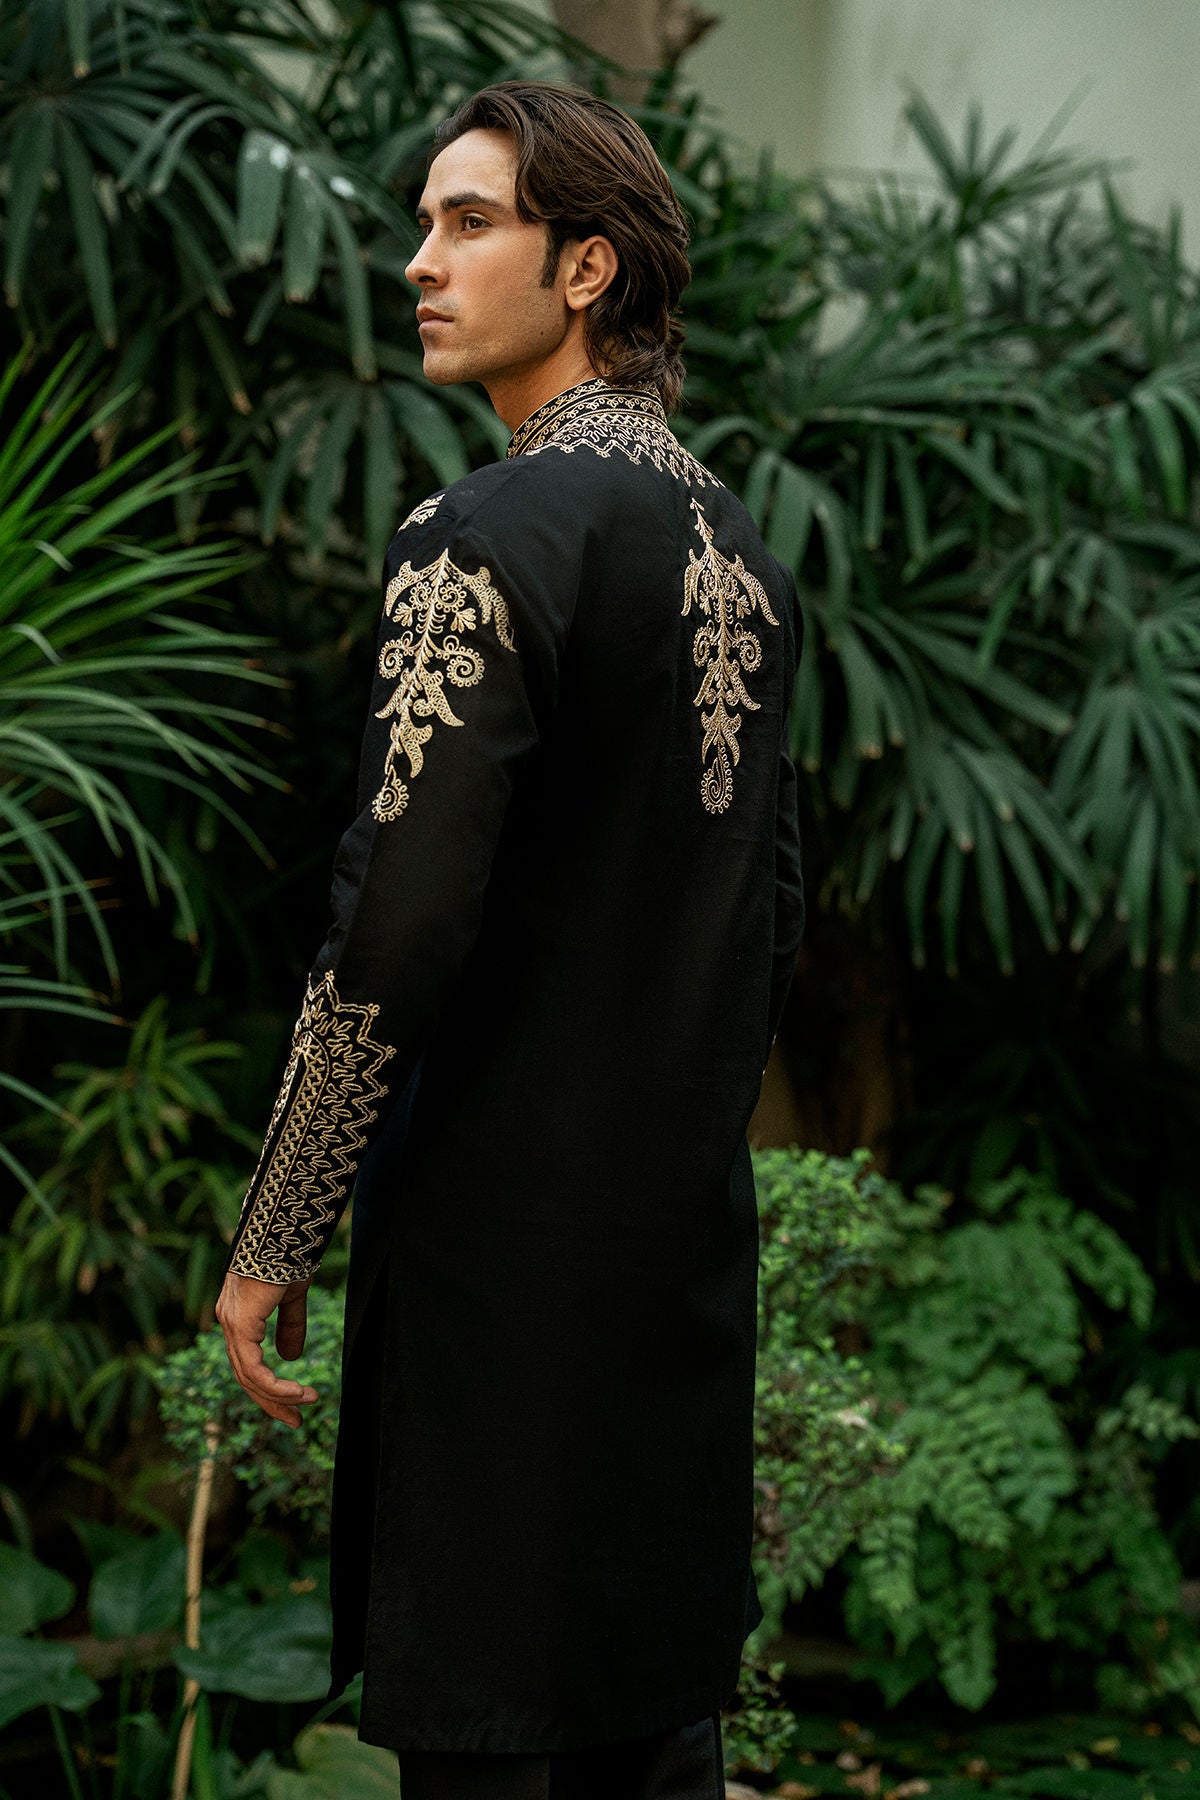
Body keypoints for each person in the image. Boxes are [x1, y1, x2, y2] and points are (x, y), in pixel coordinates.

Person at [215, 78, 805, 1800]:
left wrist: (279, 1228)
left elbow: (393, 927)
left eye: (469, 222)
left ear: (587, 268)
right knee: (647, 1744)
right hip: (674, 1292)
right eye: (424, 224)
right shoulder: (746, 559)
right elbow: (769, 931)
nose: (419, 261)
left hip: (497, 1301)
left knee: (494, 1753)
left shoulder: (478, 540)